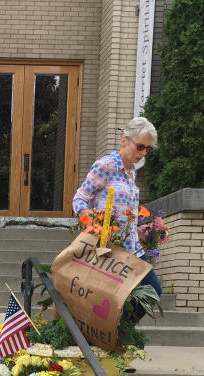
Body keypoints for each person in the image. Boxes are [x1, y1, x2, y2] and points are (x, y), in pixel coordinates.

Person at [72, 116, 161, 321]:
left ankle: (120, 332)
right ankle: (111, 335)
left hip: (132, 248)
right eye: (140, 147)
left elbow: (125, 209)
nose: (143, 153)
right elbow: (80, 199)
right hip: (109, 248)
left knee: (152, 290)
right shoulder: (105, 165)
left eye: (148, 149)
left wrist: (139, 230)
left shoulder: (131, 172)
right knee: (111, 298)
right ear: (124, 140)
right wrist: (93, 227)